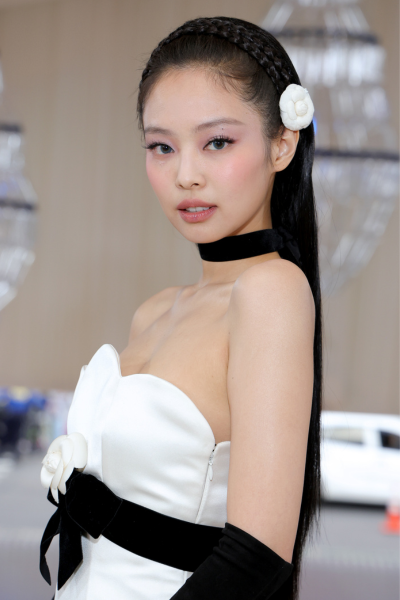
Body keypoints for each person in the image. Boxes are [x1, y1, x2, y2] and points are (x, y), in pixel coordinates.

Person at [39, 16, 322, 600]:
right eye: (161, 147)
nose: (185, 175)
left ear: (281, 144)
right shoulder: (154, 311)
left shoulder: (270, 291)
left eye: (217, 142)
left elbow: (257, 554)